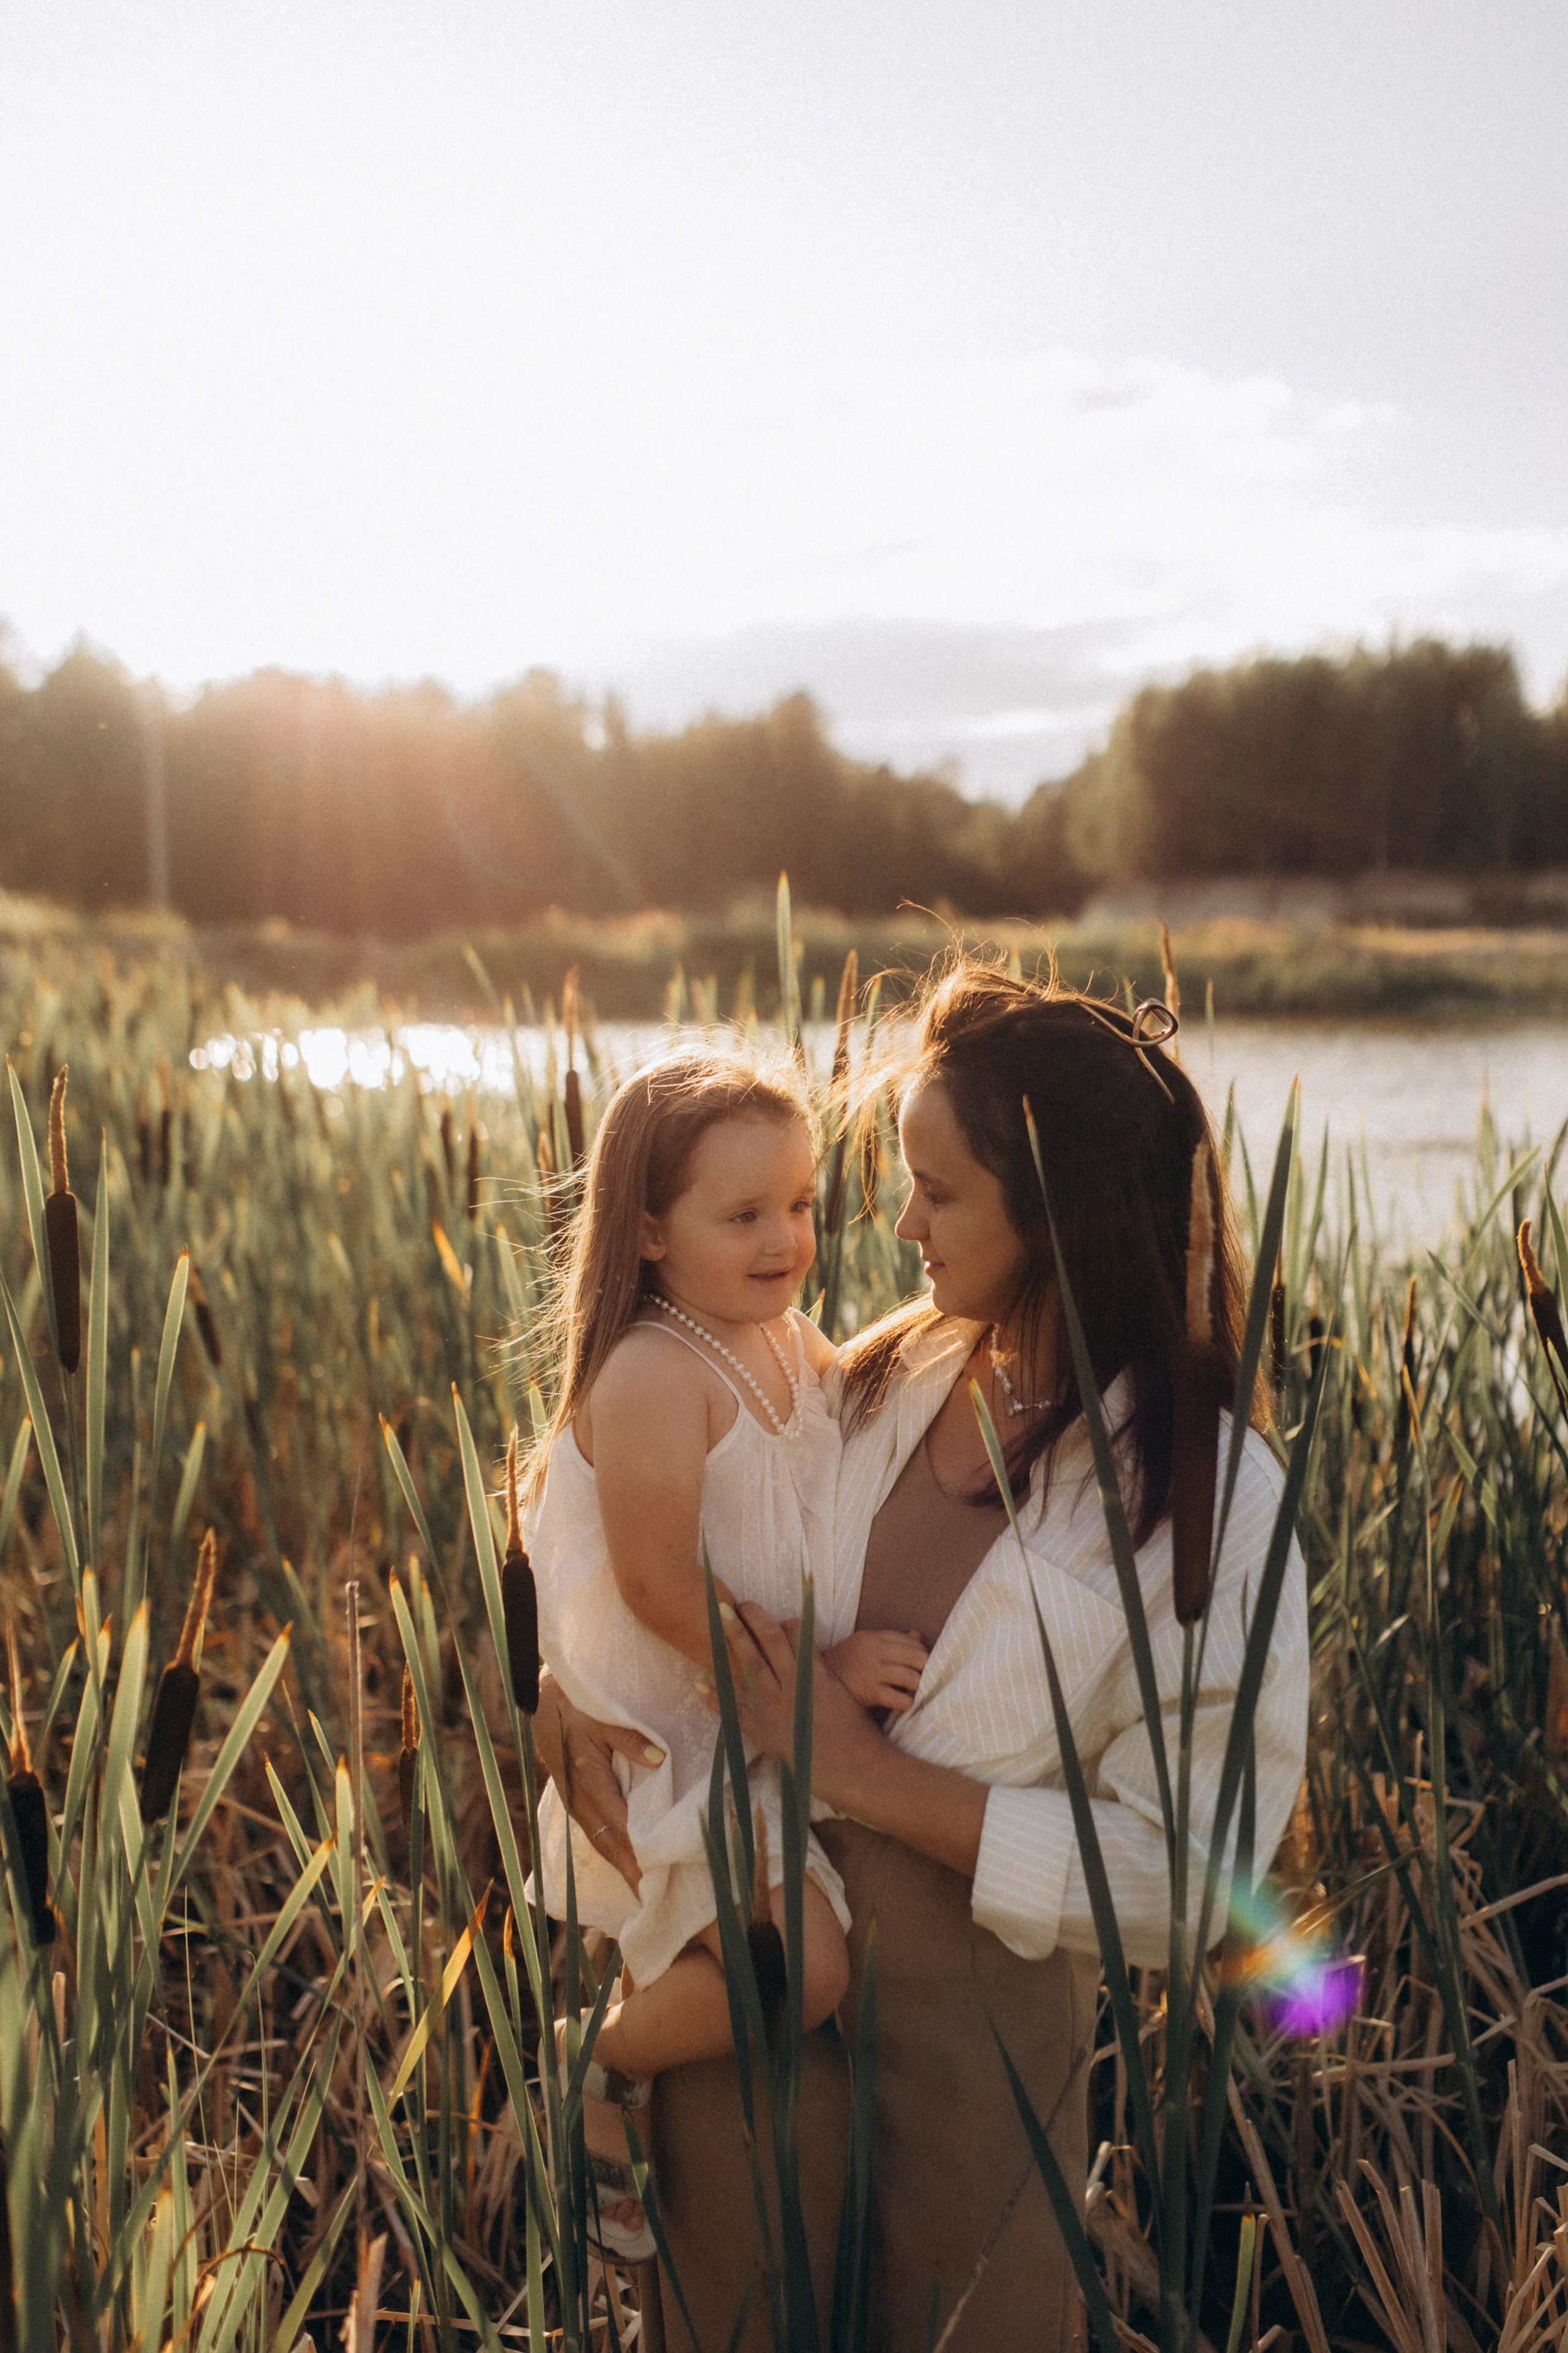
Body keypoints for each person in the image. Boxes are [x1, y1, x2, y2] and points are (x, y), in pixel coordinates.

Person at [536, 962, 1310, 2349]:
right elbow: (653, 1522)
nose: (894, 1225)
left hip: (970, 2072)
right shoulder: (879, 1371)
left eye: (937, 1192)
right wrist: (563, 1685)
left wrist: (872, 1780)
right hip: (753, 2027)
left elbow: (1203, 1877)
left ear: (1056, 1207)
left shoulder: (1209, 1494)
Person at [522, 1049, 929, 2260]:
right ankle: (589, 2054)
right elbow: (656, 1585)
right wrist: (821, 1668)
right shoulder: (655, 1369)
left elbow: (875, 1378)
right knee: (805, 1972)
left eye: (801, 1206)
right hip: (680, 1740)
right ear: (648, 1231)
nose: (784, 1238)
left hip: (745, 1723)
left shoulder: (781, 1338)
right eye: (741, 1214)